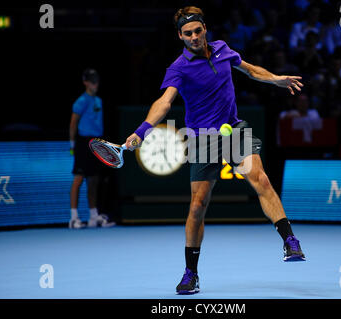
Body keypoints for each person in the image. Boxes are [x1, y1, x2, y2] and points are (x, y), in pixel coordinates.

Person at [123, 7, 305, 295]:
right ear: (180, 36)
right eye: (187, 33)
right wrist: (141, 131)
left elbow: (248, 68)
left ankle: (289, 241)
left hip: (233, 130)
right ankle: (190, 273)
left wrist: (275, 79)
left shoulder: (222, 49)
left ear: (205, 29)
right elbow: (165, 102)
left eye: (197, 31)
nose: (194, 37)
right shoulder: (178, 68)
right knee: (197, 206)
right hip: (202, 139)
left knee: (261, 179)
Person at [69, 68, 115, 229]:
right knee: (79, 178)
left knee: (94, 179)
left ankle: (93, 216)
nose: (95, 84)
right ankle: (74, 218)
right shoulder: (80, 101)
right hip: (82, 143)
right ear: (85, 82)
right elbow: (73, 123)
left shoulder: (99, 101)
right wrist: (72, 145)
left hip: (96, 143)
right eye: (91, 81)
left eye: (96, 80)